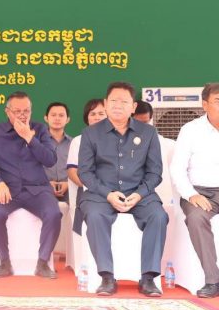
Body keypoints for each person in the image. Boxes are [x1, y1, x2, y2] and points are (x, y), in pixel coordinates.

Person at [79, 82, 167, 297]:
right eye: (113, 101)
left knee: (158, 216)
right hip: (101, 194)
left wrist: (139, 194)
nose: (118, 105)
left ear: (133, 106)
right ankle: (107, 277)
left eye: (124, 101)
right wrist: (108, 194)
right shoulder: (90, 133)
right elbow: (85, 173)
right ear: (106, 103)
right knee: (95, 216)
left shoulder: (148, 133)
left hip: (139, 193)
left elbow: (155, 172)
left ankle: (148, 278)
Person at [0, 91, 61, 279]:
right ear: (7, 111)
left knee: (54, 213)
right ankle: (4, 262)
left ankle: (43, 263)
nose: (22, 115)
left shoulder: (40, 129)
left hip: (37, 189)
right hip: (7, 189)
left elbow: (50, 160)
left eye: (26, 111)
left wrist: (30, 138)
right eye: (17, 111)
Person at [170, 82, 219, 298]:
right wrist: (191, 194)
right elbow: (177, 169)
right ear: (205, 105)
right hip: (200, 192)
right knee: (197, 218)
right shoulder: (190, 130)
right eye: (218, 101)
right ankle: (213, 280)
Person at [66, 99, 106, 233]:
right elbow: (72, 171)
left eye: (101, 113)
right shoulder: (78, 140)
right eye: (92, 114)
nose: (97, 117)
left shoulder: (118, 139)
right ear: (87, 118)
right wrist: (92, 188)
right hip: (86, 192)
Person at [44, 102, 72, 203]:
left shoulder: (74, 143)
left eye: (61, 115)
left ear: (67, 119)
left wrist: (69, 184)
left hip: (70, 189)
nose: (57, 118)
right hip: (43, 188)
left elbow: (81, 169)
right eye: (53, 115)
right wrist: (46, 183)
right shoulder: (37, 143)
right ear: (46, 118)